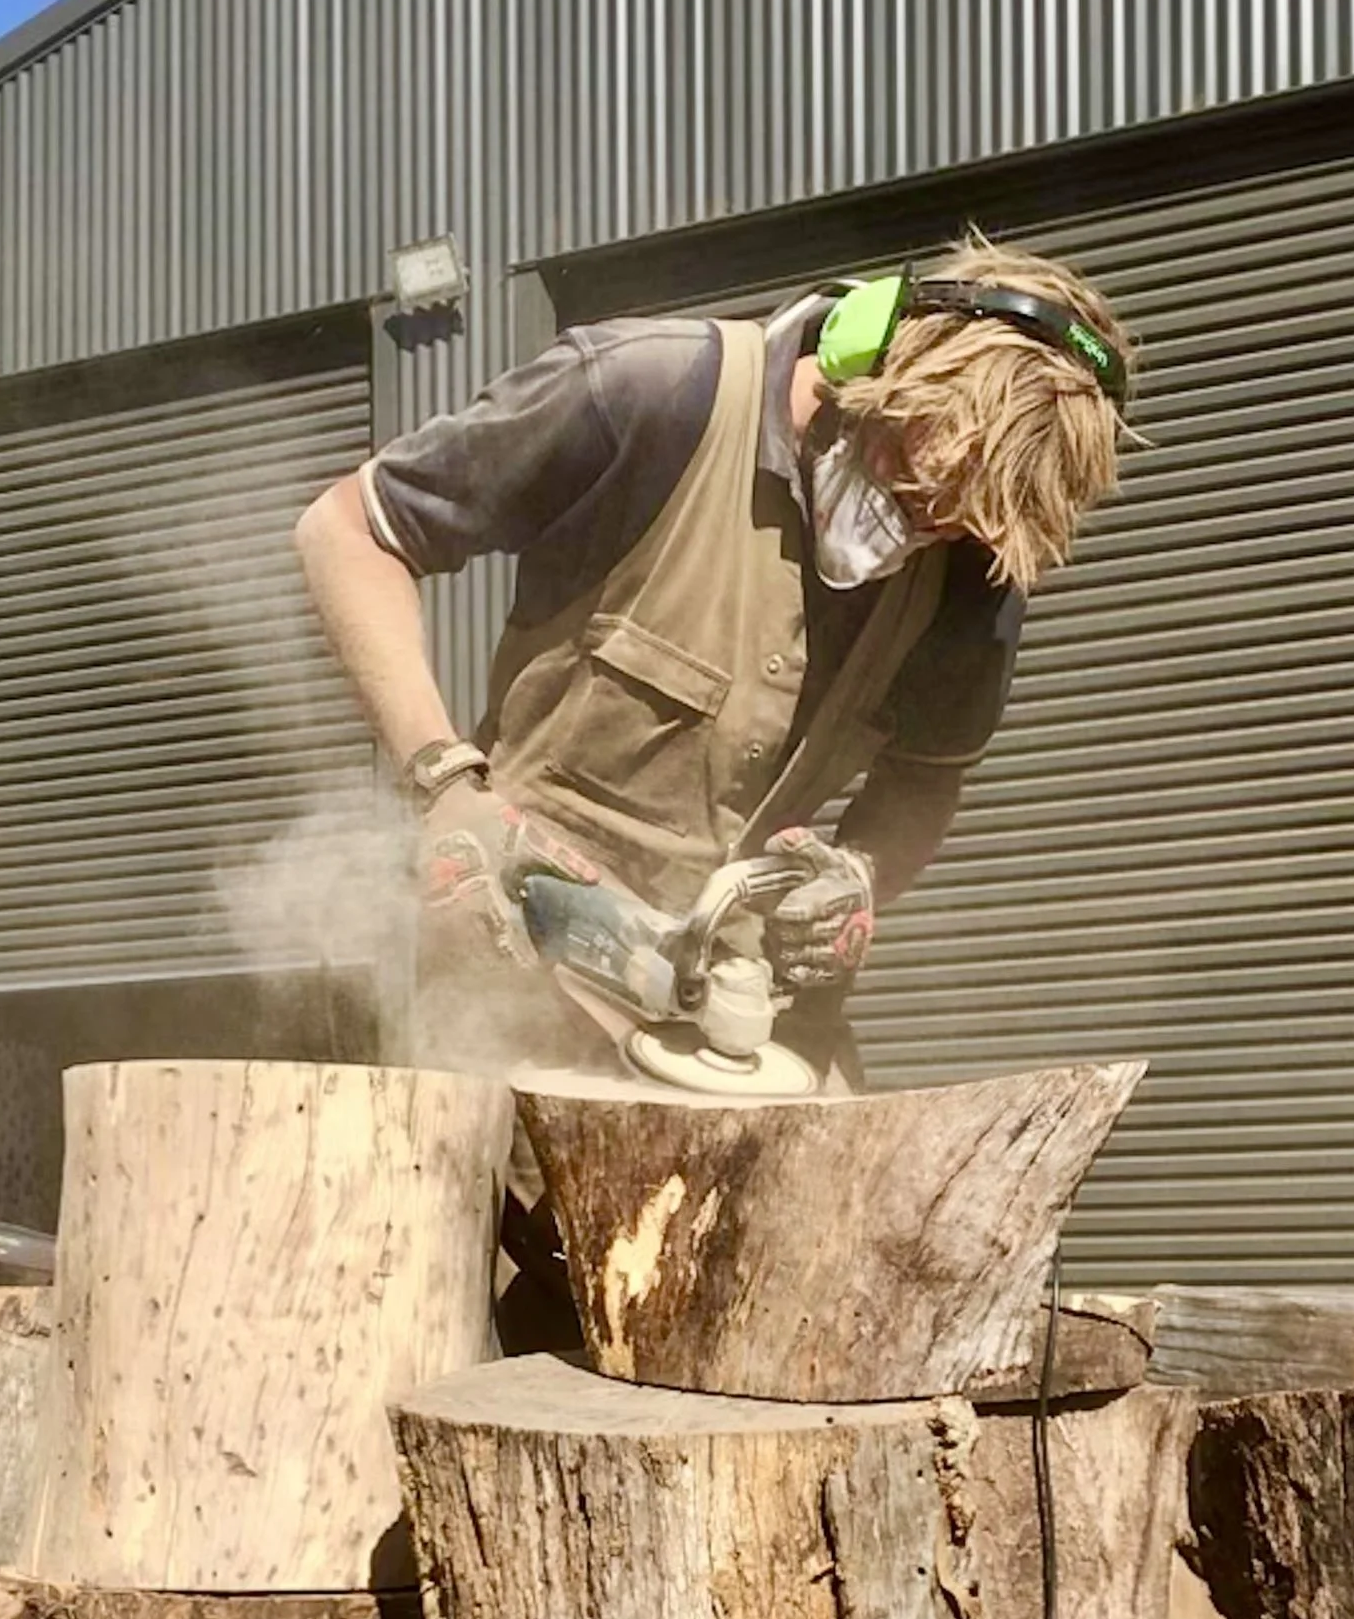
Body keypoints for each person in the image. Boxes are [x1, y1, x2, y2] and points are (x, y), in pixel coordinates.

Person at [293, 234, 1135, 1069]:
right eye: (910, 475)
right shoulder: (650, 392)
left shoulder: (972, 557)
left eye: (951, 519)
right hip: (522, 976)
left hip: (748, 1016)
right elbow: (348, 532)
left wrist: (861, 875)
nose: (923, 524)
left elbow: (926, 773)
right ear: (877, 351)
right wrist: (445, 783)